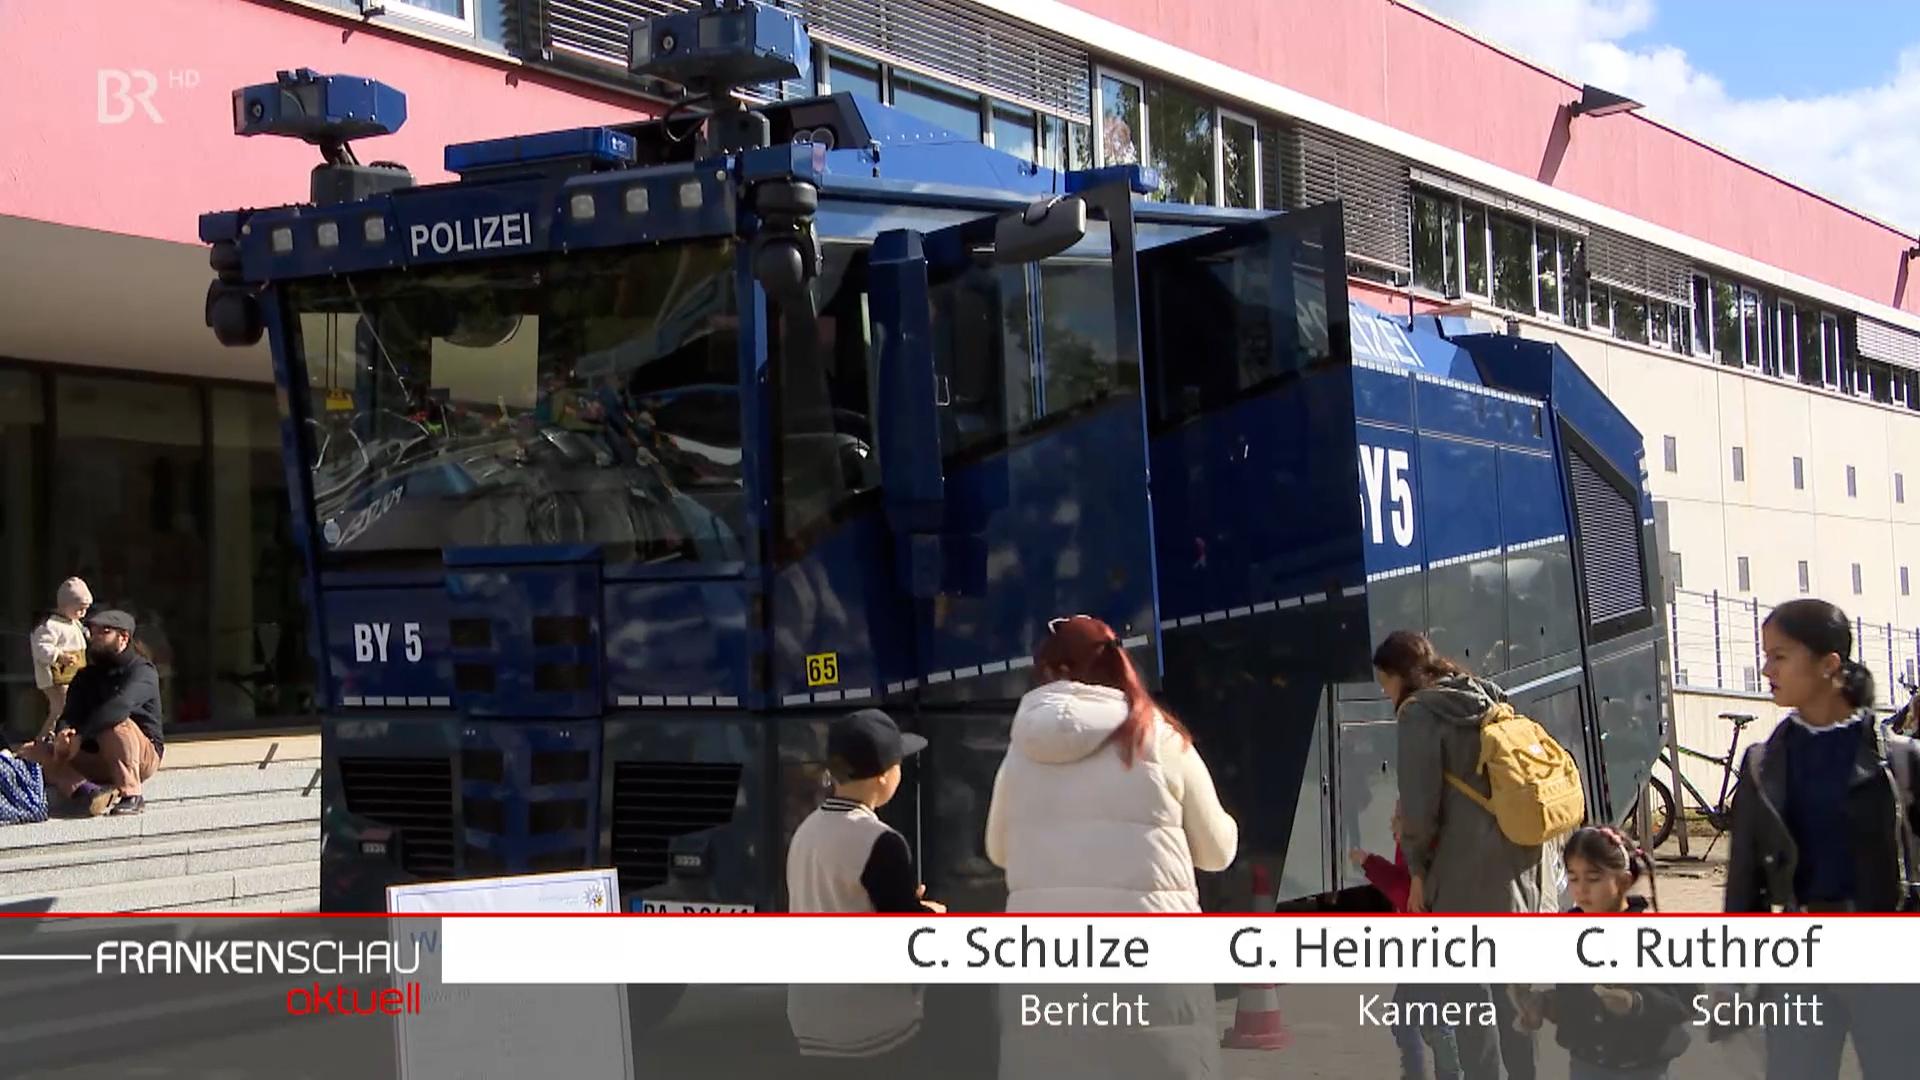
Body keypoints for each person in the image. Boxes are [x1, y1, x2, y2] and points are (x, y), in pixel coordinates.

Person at [985, 614, 1237, 1080]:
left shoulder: (1020, 752)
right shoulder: (1159, 739)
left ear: (1049, 672)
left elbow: (999, 852)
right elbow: (1217, 852)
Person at [1723, 598, 1920, 1080]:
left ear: (1830, 664)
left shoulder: (1901, 761)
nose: (1766, 667)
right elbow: (1744, 881)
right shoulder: (1761, 764)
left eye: (1780, 656)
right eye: (1765, 654)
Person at [1375, 629, 1540, 1080]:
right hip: (1518, 866)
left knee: (1468, 1001)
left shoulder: (1418, 713)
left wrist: (1417, 872)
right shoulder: (1485, 694)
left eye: (1384, 683)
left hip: (1463, 878)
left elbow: (1421, 810)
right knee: (1513, 1000)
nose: (1386, 693)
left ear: (1396, 675)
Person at [785, 708, 942, 1075]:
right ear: (885, 776)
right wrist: (930, 915)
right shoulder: (879, 841)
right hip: (868, 1024)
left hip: (808, 1018)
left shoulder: (806, 830)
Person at [1511, 827, 1693, 1080]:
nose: (1581, 890)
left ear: (1623, 881)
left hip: (1642, 1068)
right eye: (1573, 878)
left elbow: (1685, 1001)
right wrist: (1544, 1006)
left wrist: (1637, 1003)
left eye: (1593, 878)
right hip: (1586, 1063)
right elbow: (1572, 999)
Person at [1351, 803, 1462, 1080]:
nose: (1391, 823)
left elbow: (1410, 899)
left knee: (1435, 1026)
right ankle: (1416, 1073)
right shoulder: (1411, 849)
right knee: (1404, 1019)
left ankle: (1449, 1073)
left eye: (1398, 816)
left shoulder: (1428, 854)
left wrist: (1370, 864)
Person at [16, 609, 163, 817]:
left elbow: (119, 707)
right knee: (31, 751)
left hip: (140, 756)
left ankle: (132, 795)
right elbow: (69, 714)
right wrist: (64, 735)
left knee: (114, 724)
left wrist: (82, 735)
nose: (94, 637)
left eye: (104, 632)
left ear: (123, 638)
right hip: (92, 754)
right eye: (92, 631)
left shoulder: (142, 671)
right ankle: (89, 792)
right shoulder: (86, 676)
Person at [26, 578, 91, 740]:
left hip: (74, 673)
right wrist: (59, 656)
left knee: (71, 706)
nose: (82, 614)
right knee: (60, 708)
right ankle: (43, 739)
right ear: (65, 605)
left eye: (85, 609)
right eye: (79, 609)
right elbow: (41, 647)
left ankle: (63, 738)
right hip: (57, 677)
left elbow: (82, 632)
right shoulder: (49, 625)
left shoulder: (74, 622)